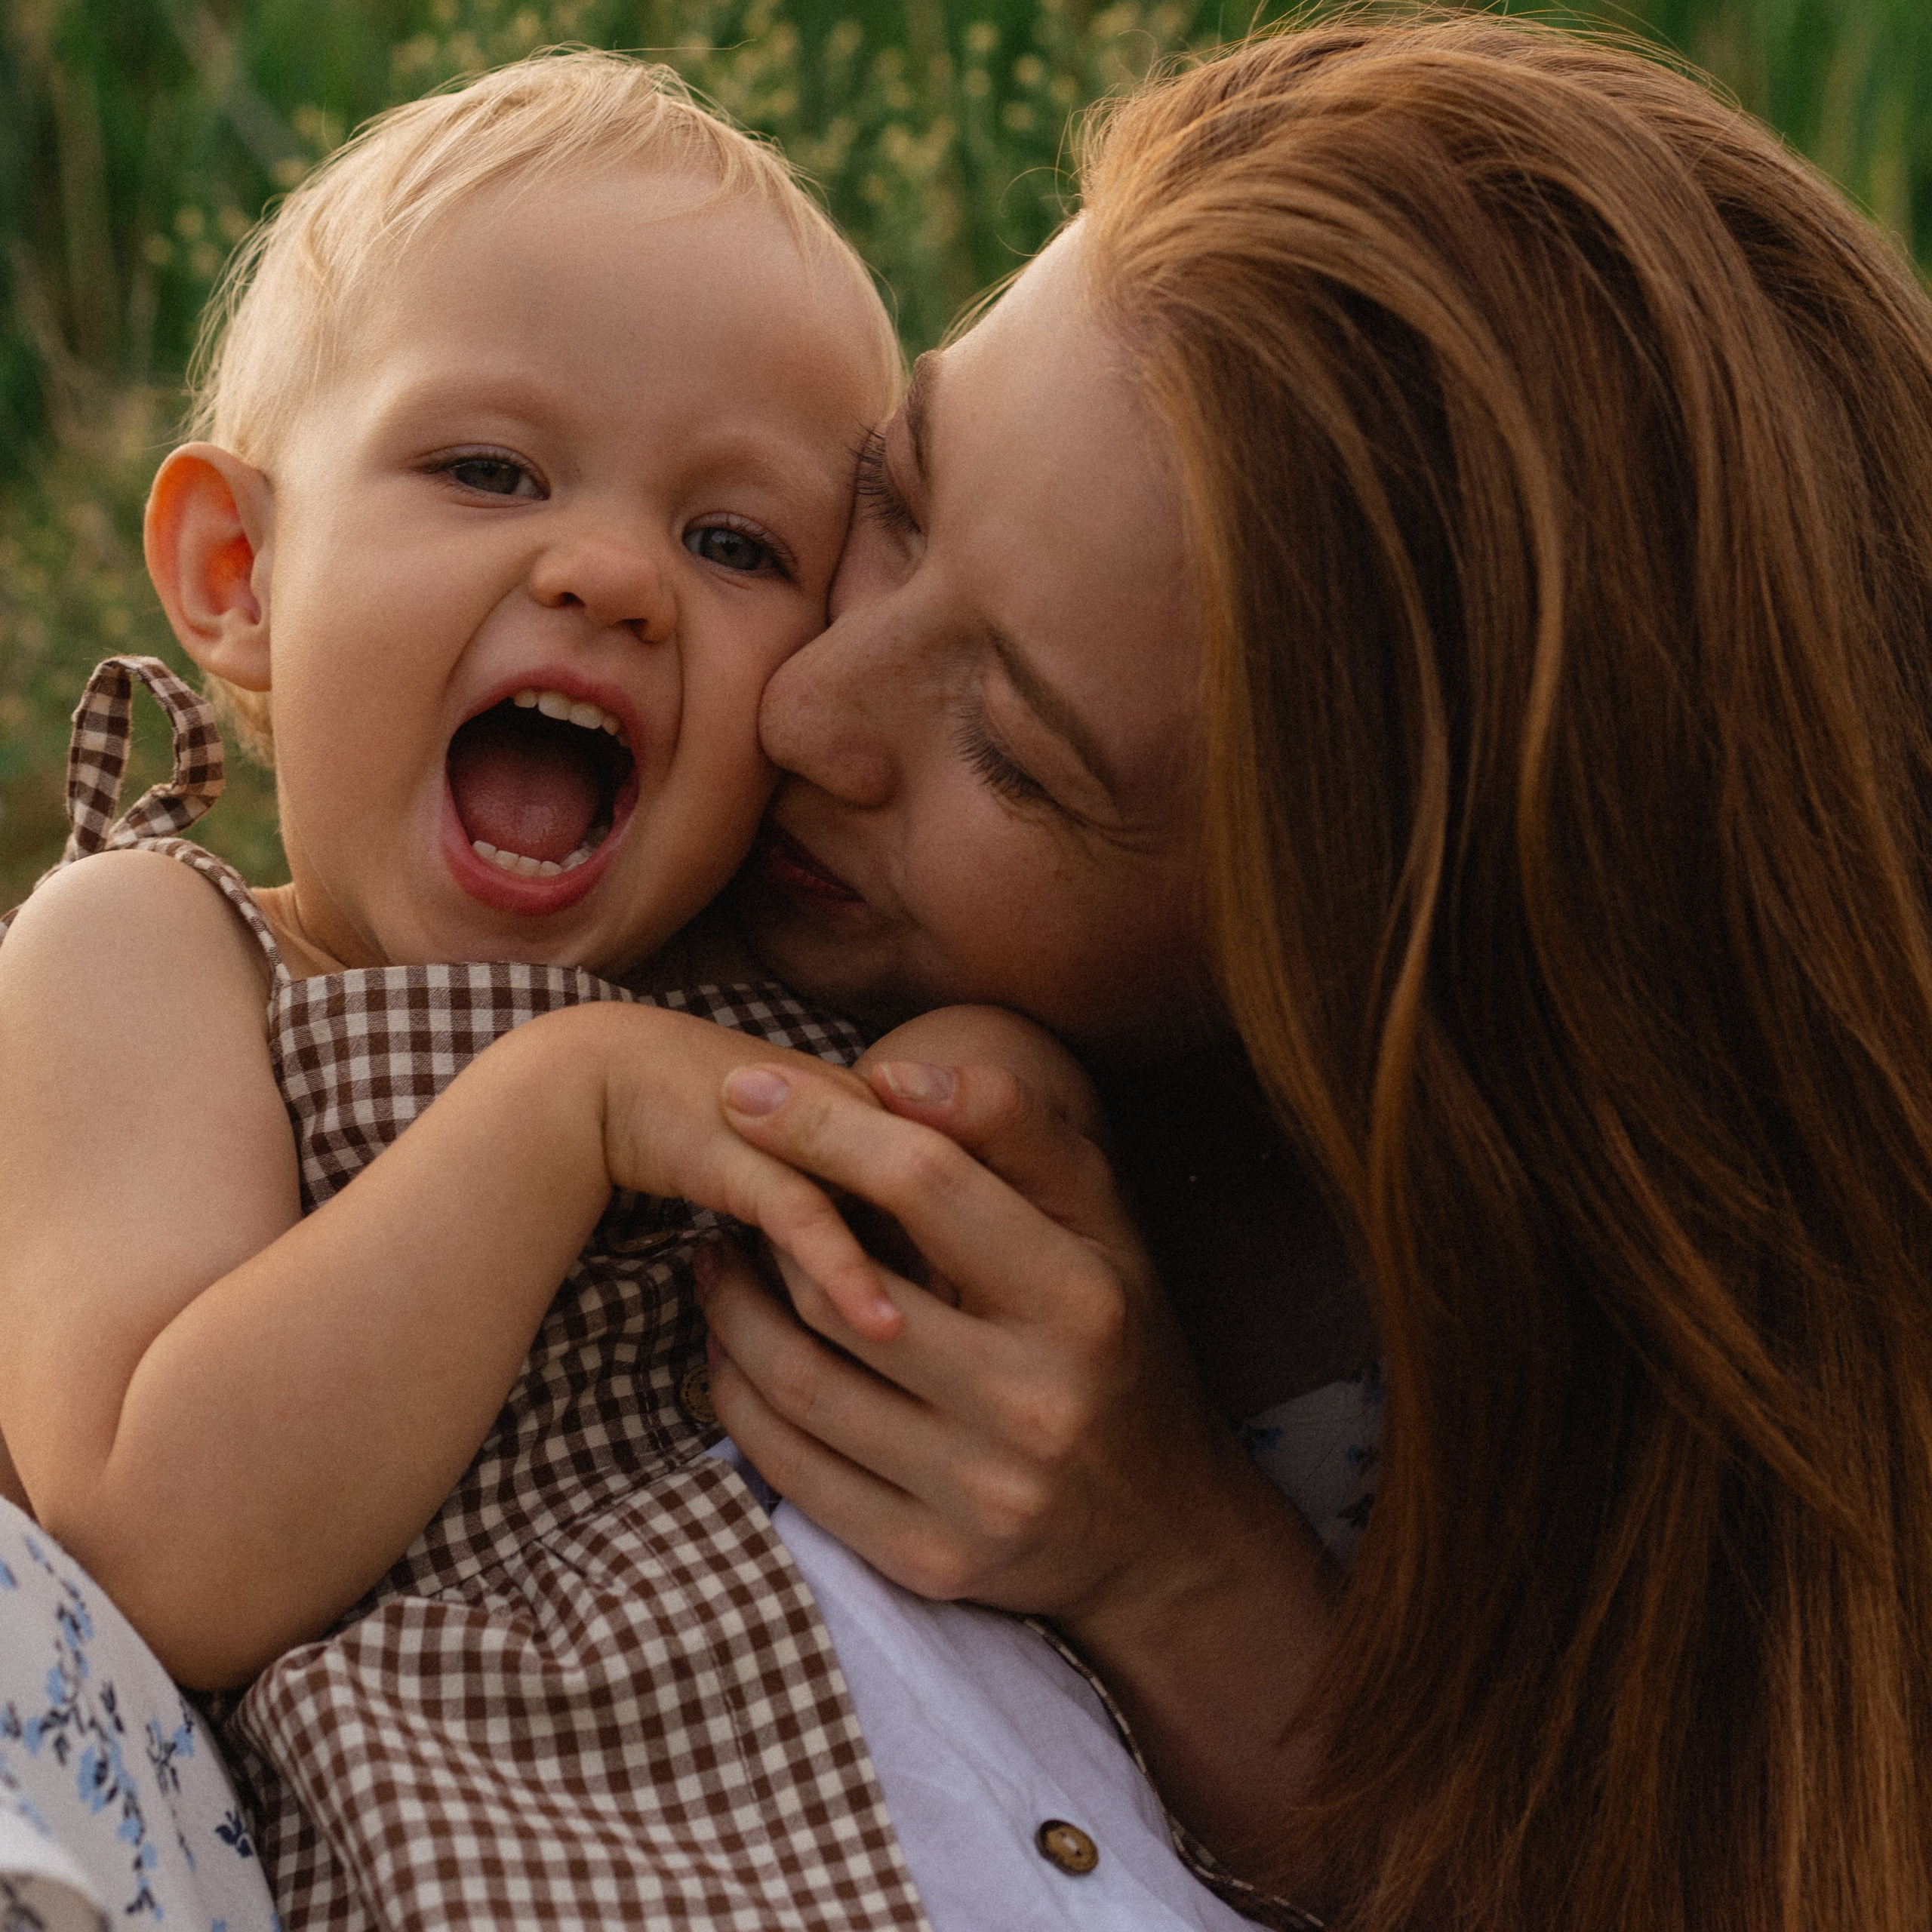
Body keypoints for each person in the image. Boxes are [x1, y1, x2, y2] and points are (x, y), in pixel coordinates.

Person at [0, 51, 1297, 1932]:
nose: (610, 576)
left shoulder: (776, 973)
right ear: (238, 570)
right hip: (548, 1864)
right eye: (487, 470)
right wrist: (559, 1109)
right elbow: (154, 1536)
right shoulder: (158, 948)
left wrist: (982, 1100)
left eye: (735, 543)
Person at [686, 14, 1932, 1932]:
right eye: (898, 496)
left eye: (1016, 752)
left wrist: (1177, 1567)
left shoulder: (1701, 1459)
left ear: (1354, 980)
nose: (797, 699)